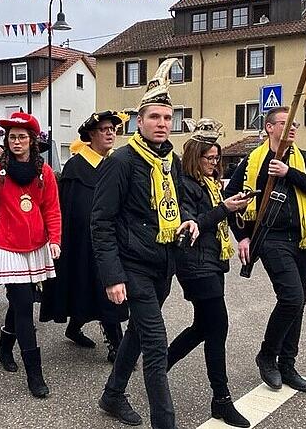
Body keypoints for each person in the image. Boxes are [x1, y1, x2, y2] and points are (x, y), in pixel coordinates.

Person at [91, 58, 199, 429]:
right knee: (155, 345)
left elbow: (182, 199)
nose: (162, 125)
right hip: (132, 265)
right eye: (155, 118)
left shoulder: (173, 161)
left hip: (163, 263)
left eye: (168, 119)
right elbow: (100, 223)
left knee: (137, 332)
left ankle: (112, 394)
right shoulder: (120, 161)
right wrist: (112, 276)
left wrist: (188, 218)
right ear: (140, 121)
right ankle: (164, 423)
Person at [225, 106, 306, 394]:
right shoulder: (252, 161)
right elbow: (230, 199)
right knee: (291, 297)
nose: (291, 128)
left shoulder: (304, 159)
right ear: (269, 128)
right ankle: (267, 356)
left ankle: (288, 364)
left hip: (303, 239)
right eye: (284, 123)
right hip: (271, 239)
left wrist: (289, 172)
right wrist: (242, 236)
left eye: (293, 123)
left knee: (299, 302)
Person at [0, 111, 61, 399]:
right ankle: (36, 375)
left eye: (22, 137)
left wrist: (55, 240)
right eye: (12, 137)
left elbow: (52, 209)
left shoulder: (44, 172)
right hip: (7, 246)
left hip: (36, 246)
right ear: (6, 141)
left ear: (32, 141)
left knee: (20, 302)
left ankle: (5, 347)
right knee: (23, 304)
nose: (16, 141)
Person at [167, 119, 252, 427]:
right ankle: (221, 399)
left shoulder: (210, 184)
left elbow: (219, 220)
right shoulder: (184, 186)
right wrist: (224, 209)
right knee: (217, 328)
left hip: (211, 263)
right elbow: (191, 224)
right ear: (195, 156)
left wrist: (236, 211)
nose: (215, 164)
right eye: (210, 158)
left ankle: (157, 367)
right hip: (194, 265)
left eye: (217, 159)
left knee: (203, 328)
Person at [40, 111, 129, 363]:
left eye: (112, 128)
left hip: (113, 238)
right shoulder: (76, 167)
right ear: (91, 135)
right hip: (83, 240)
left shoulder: (118, 162)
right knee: (96, 287)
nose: (110, 132)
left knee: (94, 289)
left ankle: (74, 327)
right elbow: (71, 209)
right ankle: (117, 347)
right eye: (104, 129)